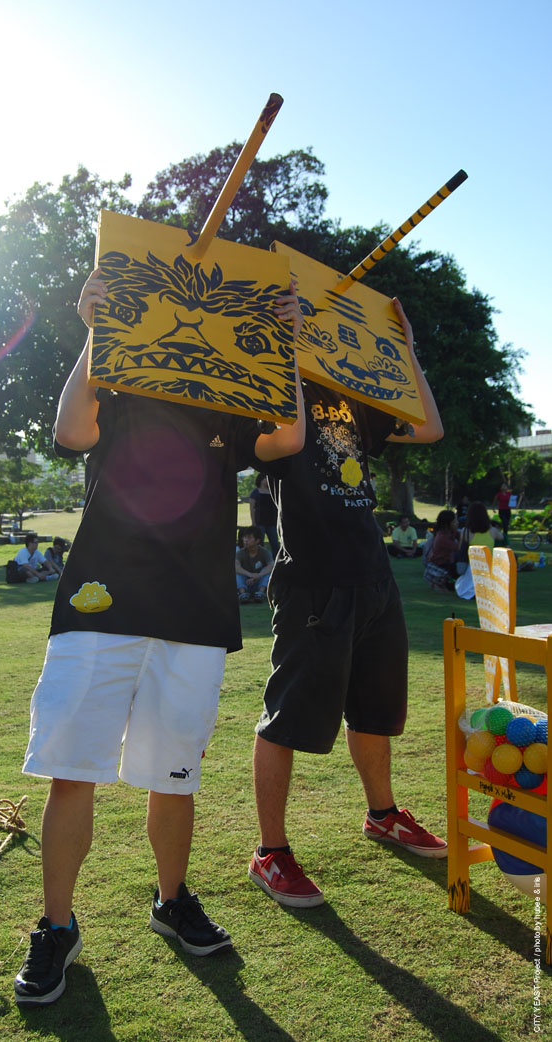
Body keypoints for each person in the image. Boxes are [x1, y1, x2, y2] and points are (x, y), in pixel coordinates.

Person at [13, 267, 306, 1006]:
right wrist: (92, 329)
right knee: (72, 768)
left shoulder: (229, 392)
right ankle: (57, 926)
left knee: (174, 774)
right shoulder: (123, 368)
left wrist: (286, 348)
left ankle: (171, 900)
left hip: (194, 614)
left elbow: (289, 437)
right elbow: (70, 431)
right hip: (100, 602)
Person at [246, 297, 447, 910]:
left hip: (374, 575)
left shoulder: (354, 393)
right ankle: (270, 853)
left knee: (375, 711)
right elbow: (281, 441)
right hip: (313, 581)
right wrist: (286, 347)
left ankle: (382, 814)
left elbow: (429, 427)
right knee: (288, 717)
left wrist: (403, 349)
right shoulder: (269, 387)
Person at [235, 525, 273, 603]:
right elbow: (236, 567)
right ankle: (243, 593)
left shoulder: (264, 552)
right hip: (246, 582)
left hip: (258, 581)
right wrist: (250, 575)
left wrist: (259, 575)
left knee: (267, 572)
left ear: (257, 540)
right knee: (237, 573)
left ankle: (261, 592)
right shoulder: (240, 553)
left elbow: (271, 565)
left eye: (249, 538)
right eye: (245, 537)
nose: (245, 540)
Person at [423, 510, 459, 591]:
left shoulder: (451, 532)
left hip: (447, 563)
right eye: (454, 521)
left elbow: (459, 535)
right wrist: (465, 538)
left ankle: (443, 583)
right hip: (440, 565)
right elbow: (458, 547)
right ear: (447, 524)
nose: (457, 523)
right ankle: (438, 583)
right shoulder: (442, 536)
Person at [249, 473, 279, 556]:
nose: (268, 480)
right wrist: (253, 522)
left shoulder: (273, 492)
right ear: (261, 480)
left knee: (275, 544)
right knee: (259, 544)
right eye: (266, 478)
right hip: (260, 523)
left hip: (271, 523)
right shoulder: (255, 492)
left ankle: (275, 561)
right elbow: (252, 509)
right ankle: (261, 561)